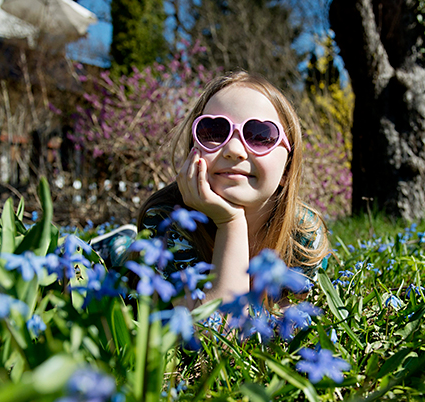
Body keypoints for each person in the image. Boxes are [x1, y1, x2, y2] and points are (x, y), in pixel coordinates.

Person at [135, 71, 330, 306]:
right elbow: (214, 335)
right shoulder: (167, 220)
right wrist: (230, 222)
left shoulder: (304, 237)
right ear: (192, 152)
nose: (234, 149)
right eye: (214, 131)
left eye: (261, 135)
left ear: (287, 169)